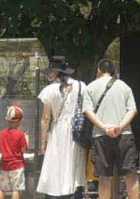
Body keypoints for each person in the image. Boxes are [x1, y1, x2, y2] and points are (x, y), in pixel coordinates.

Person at [83, 59, 138, 199]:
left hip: (100, 136)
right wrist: (120, 126)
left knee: (104, 177)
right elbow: (133, 110)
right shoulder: (124, 86)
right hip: (124, 134)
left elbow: (88, 111)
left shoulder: (90, 87)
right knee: (130, 175)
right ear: (114, 71)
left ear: (99, 70)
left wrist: (103, 127)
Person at [36, 56, 87, 199]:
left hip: (59, 130)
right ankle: (74, 193)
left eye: (50, 71)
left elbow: (46, 118)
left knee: (57, 164)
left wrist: (43, 141)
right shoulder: (81, 86)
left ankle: (57, 193)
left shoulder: (50, 89)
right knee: (74, 163)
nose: (49, 74)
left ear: (56, 72)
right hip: (77, 130)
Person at [0, 104, 28, 199]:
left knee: (2, 189)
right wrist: (26, 140)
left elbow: (0, 147)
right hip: (17, 165)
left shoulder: (2, 133)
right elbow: (23, 149)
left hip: (4, 165)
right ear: (19, 121)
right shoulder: (21, 134)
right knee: (16, 189)